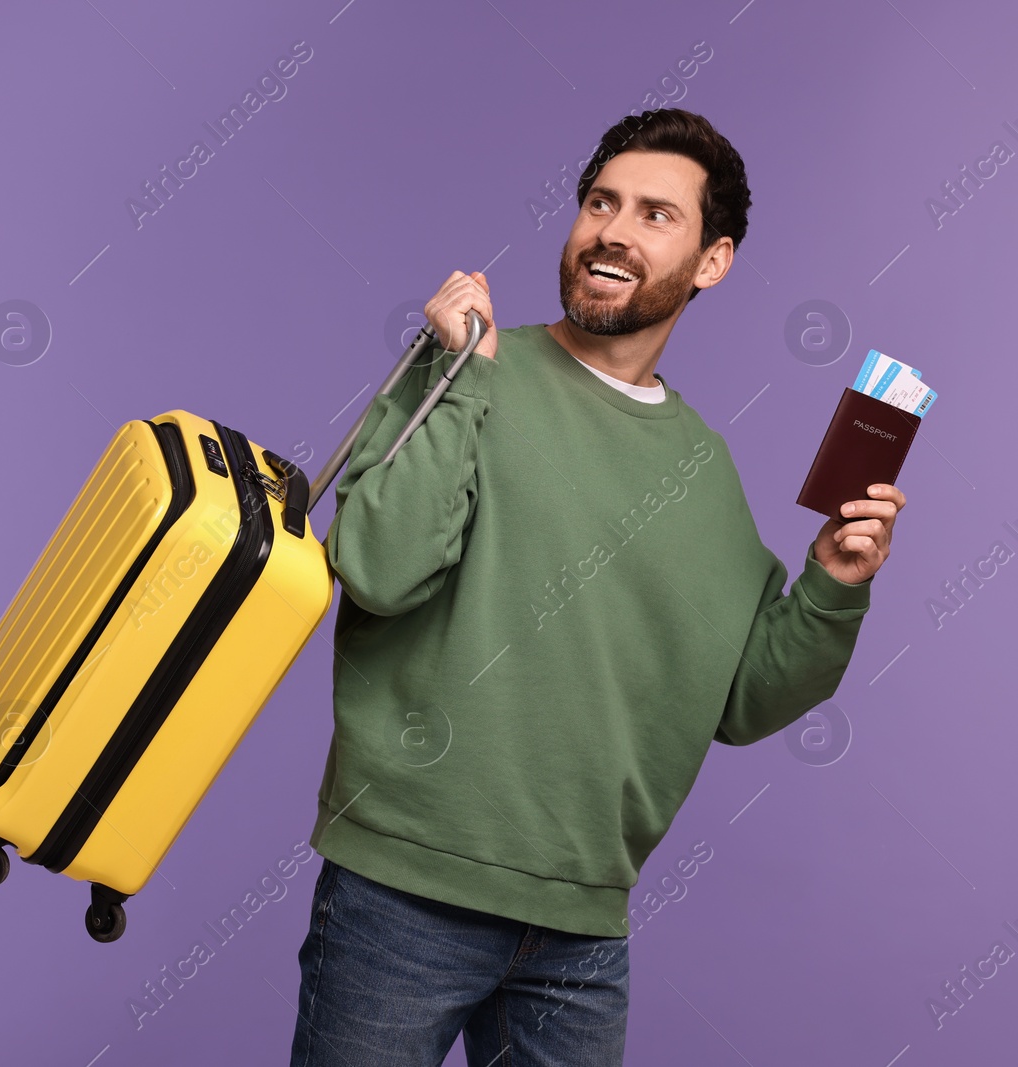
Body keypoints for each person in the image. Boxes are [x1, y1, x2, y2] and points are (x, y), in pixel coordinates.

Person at [288, 107, 905, 1066]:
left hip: (579, 931)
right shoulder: (470, 370)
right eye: (599, 203)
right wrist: (464, 377)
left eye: (657, 214)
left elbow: (742, 698)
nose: (613, 230)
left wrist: (832, 582)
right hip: (399, 896)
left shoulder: (702, 469)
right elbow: (379, 567)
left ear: (713, 261)